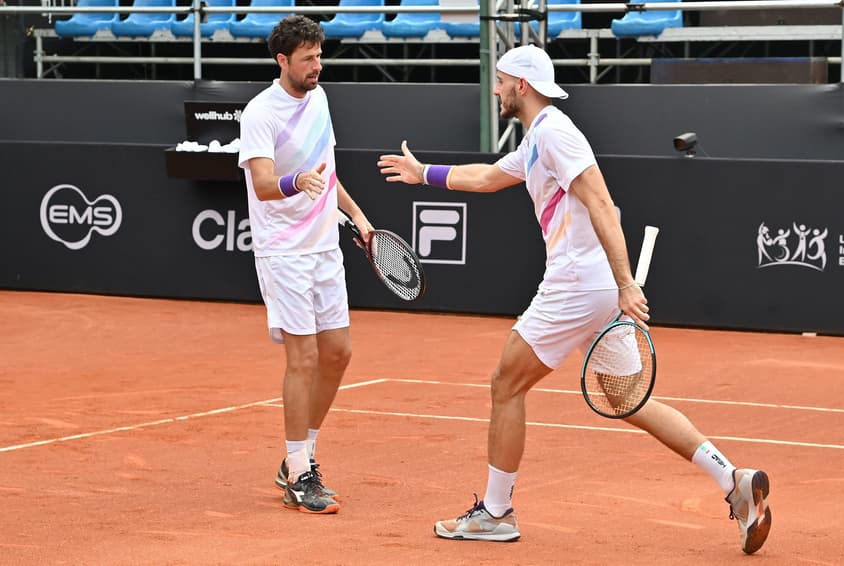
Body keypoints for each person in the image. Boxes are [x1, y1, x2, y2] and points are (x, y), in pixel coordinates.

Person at [377, 44, 771, 553]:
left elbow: (601, 200)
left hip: (577, 283)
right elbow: (490, 177)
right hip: (595, 286)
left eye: (501, 81)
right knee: (628, 400)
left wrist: (627, 283)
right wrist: (424, 172)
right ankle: (732, 478)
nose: (495, 89)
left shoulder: (556, 133)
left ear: (521, 85)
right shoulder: (538, 137)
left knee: (506, 384)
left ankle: (496, 513)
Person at [238, 14, 374, 515]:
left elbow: (327, 172)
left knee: (338, 353)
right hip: (284, 251)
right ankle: (300, 474)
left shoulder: (320, 99)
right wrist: (296, 182)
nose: (317, 66)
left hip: (324, 247)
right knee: (304, 359)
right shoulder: (260, 113)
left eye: (319, 56)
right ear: (283, 61)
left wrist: (358, 216)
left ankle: (299, 456)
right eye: (308, 59)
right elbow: (263, 184)